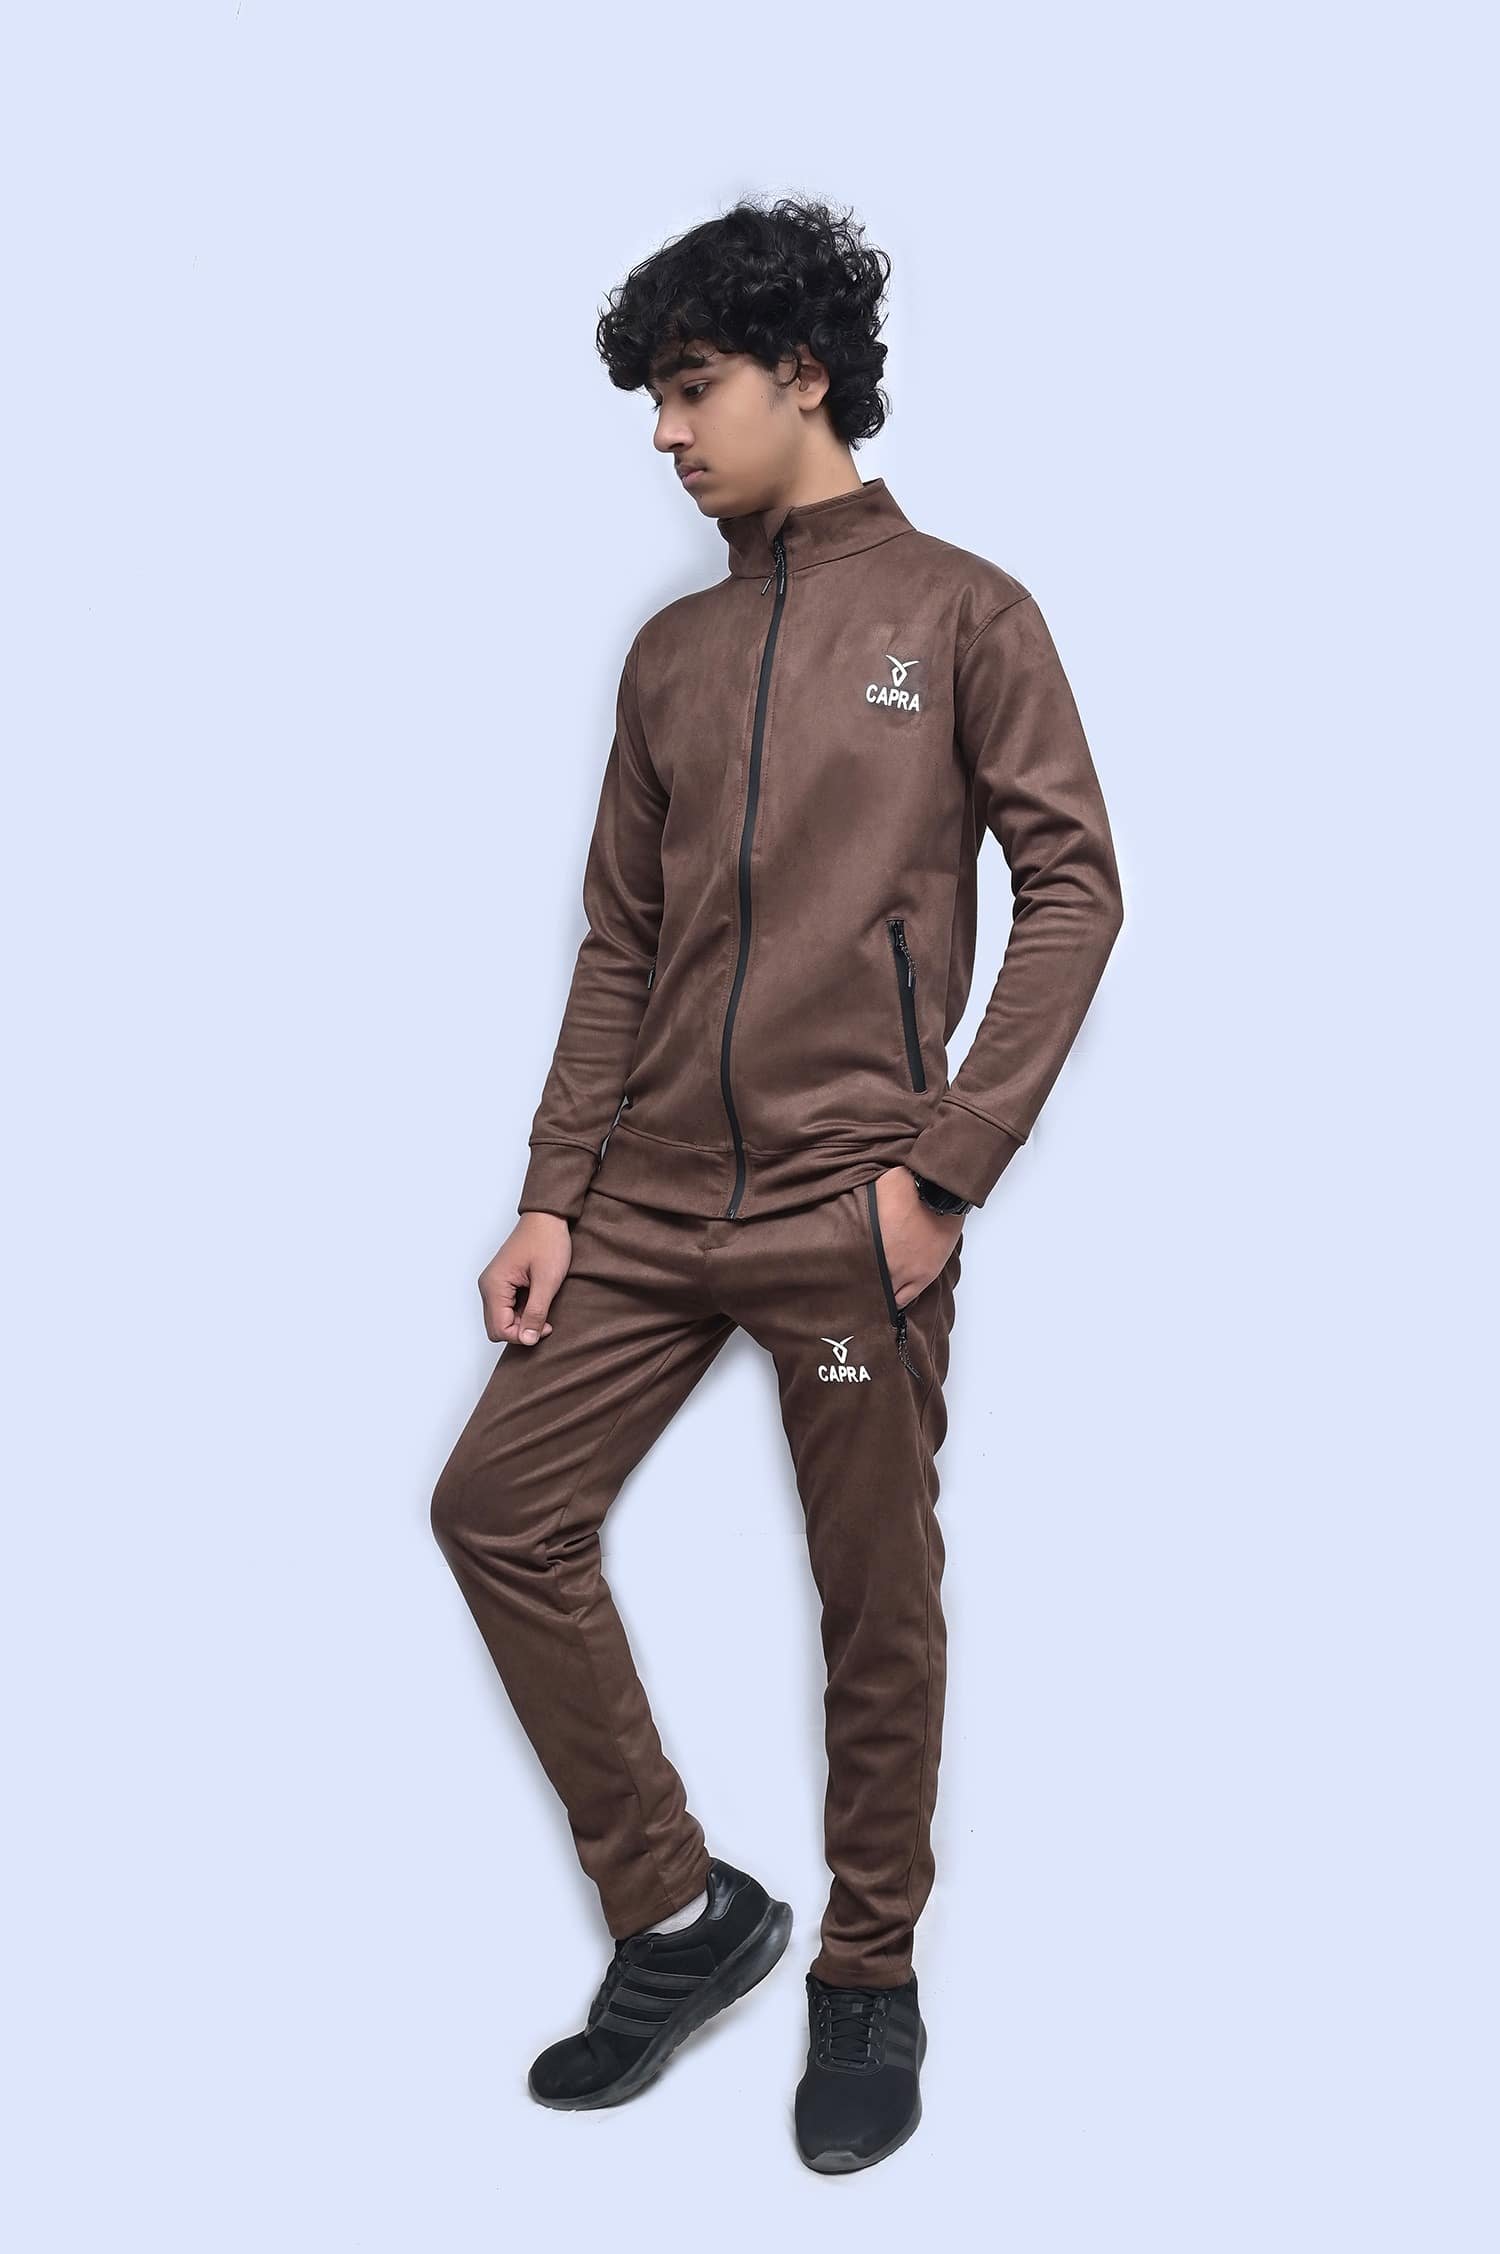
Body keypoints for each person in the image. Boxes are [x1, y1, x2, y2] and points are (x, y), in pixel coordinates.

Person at [430, 194, 1125, 2174]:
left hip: (848, 1208)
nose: (665, 433)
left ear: (804, 374)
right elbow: (620, 944)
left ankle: (867, 1969)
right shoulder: (671, 653)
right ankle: (679, 1910)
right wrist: (555, 1189)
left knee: (871, 1595)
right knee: (496, 1507)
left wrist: (944, 1168)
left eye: (691, 387)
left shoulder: (966, 616)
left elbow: (1074, 887)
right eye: (654, 400)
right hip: (647, 1202)